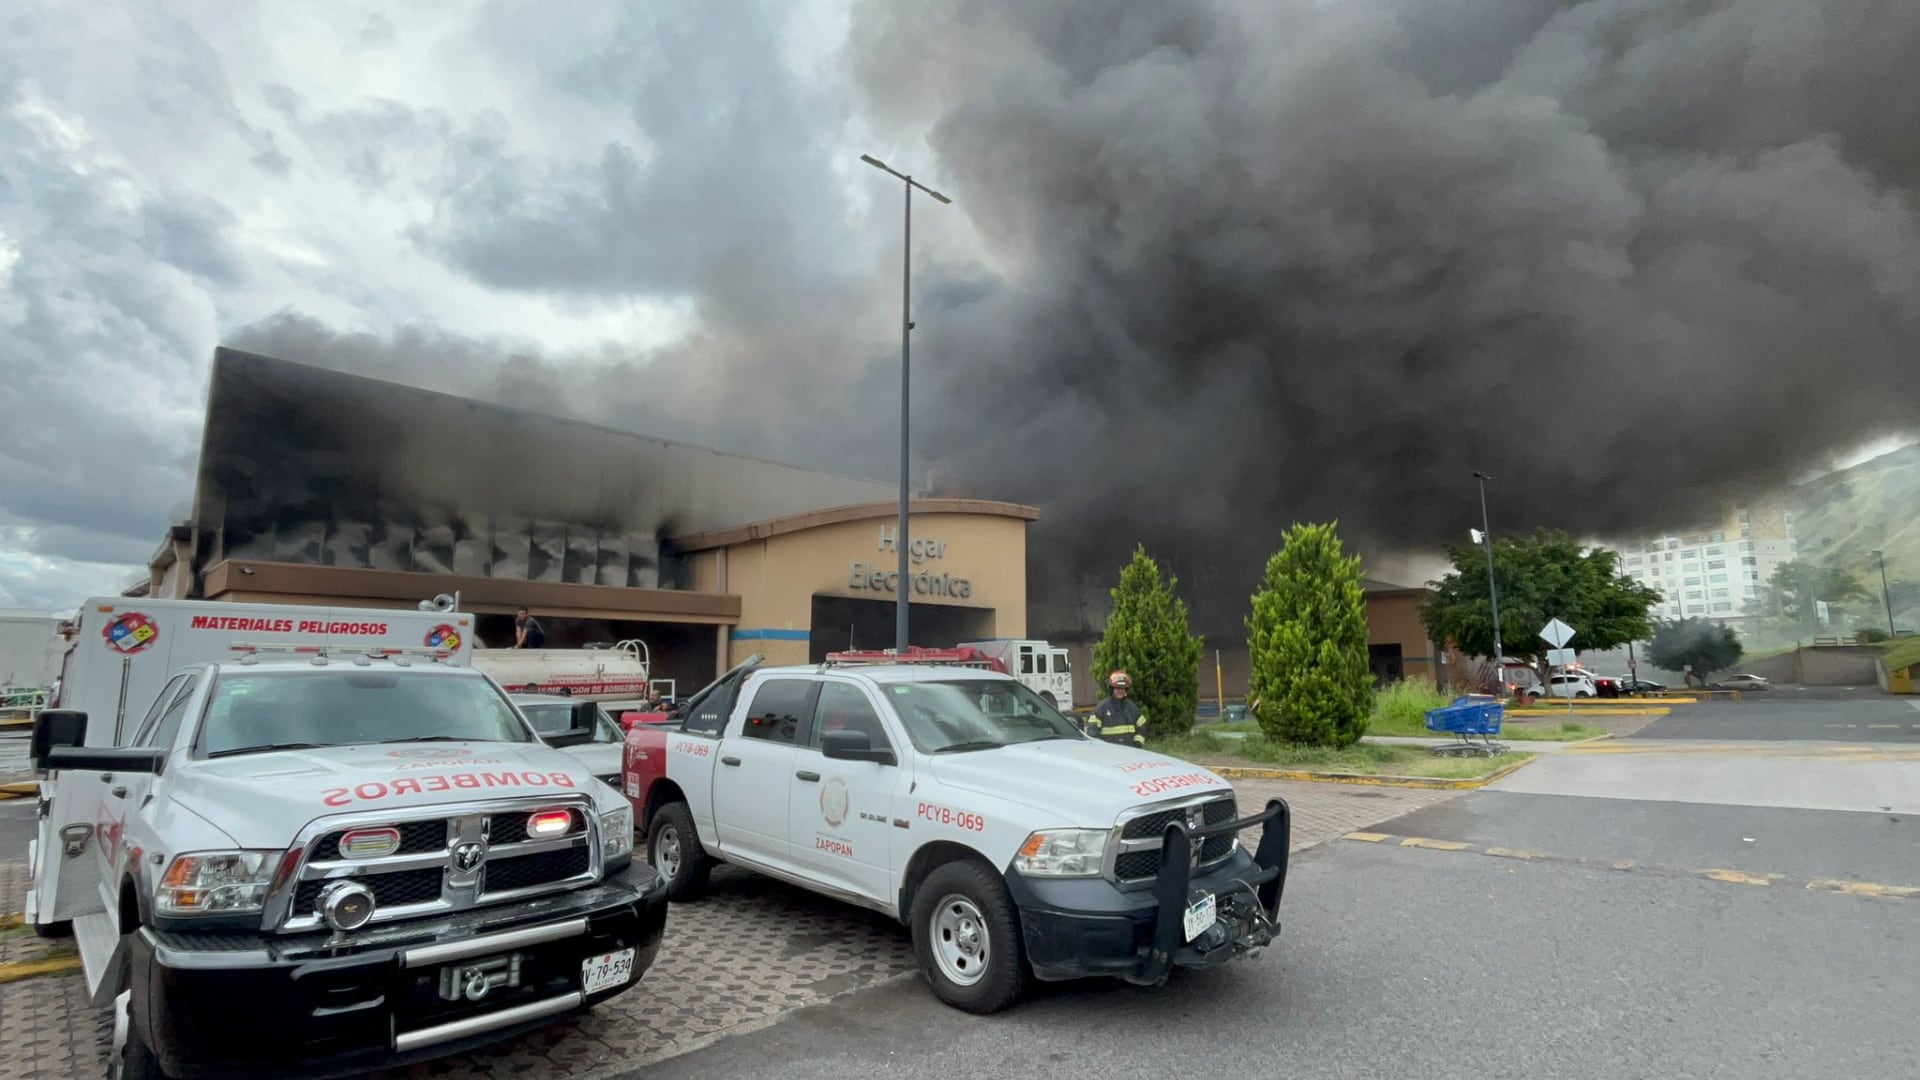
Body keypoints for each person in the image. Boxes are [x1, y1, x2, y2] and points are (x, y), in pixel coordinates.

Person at [1086, 670, 1146, 747]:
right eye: (1118, 688)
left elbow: (1142, 726)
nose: (1120, 691)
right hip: (1109, 754)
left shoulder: (1132, 707)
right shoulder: (1102, 708)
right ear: (1112, 689)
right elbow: (1092, 732)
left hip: (1130, 753)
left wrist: (1138, 743)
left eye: (1123, 688)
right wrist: (1101, 749)